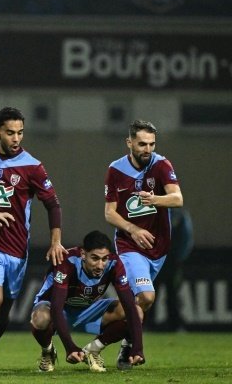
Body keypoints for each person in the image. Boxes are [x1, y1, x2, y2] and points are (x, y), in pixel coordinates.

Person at [0, 106, 66, 373]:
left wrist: (55, 241)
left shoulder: (33, 167)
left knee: (4, 312)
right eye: (10, 133)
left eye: (20, 133)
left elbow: (53, 205)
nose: (16, 138)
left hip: (17, 250)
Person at [104, 119, 183, 370]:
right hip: (129, 245)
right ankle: (129, 345)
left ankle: (113, 327)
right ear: (129, 143)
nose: (147, 149)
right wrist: (133, 229)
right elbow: (109, 213)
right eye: (141, 144)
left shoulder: (161, 165)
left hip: (158, 248)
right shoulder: (116, 170)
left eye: (151, 144)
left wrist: (156, 199)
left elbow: (177, 199)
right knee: (147, 295)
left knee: (141, 303)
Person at [30, 230, 145, 373]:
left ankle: (93, 350)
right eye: (95, 258)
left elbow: (129, 306)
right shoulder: (67, 261)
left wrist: (138, 348)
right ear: (83, 254)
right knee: (40, 318)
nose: (100, 265)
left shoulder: (114, 263)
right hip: (58, 310)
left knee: (137, 312)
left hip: (88, 310)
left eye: (104, 259)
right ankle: (48, 351)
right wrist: (70, 347)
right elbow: (56, 308)